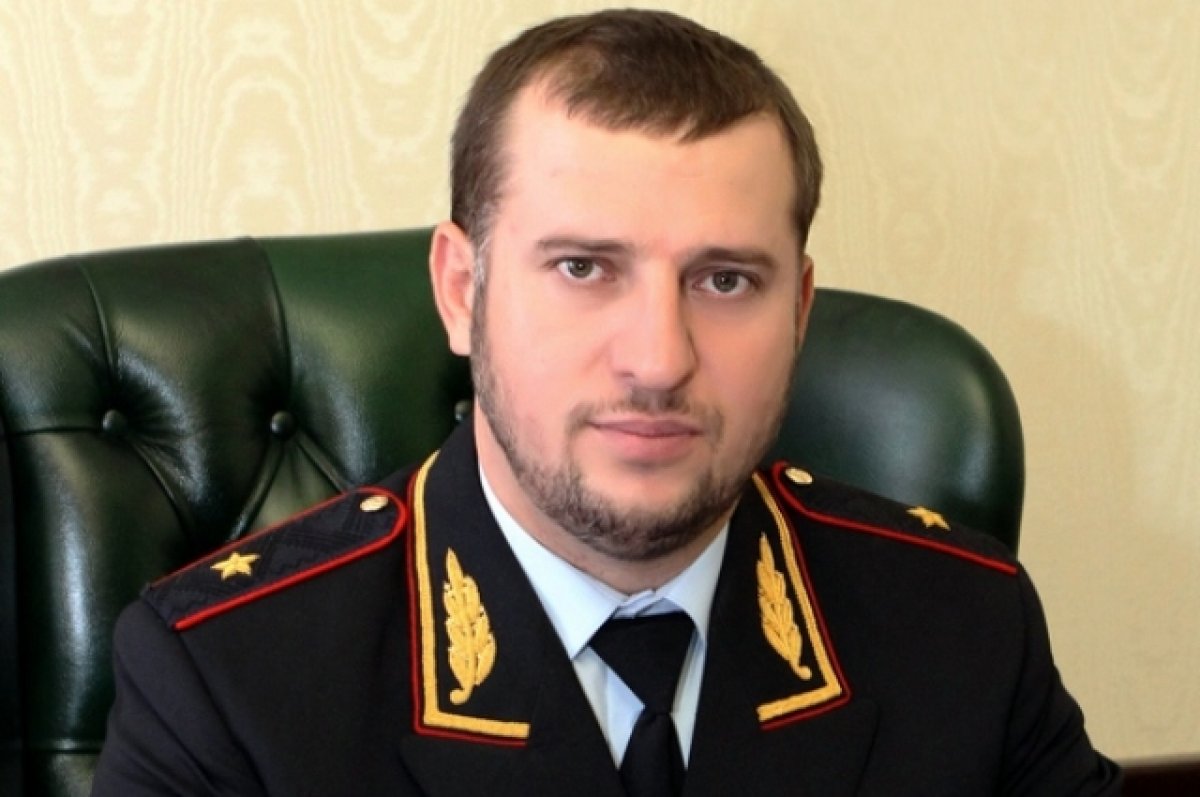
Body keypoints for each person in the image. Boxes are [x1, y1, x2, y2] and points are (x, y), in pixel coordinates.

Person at [91, 8, 1120, 796]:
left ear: (800, 310)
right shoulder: (227, 678)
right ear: (461, 290)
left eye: (725, 280)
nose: (658, 360)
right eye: (583, 267)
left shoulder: (963, 626)